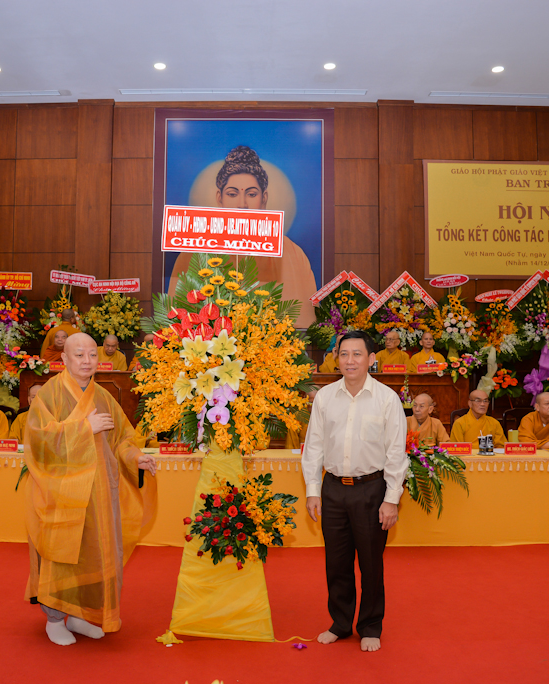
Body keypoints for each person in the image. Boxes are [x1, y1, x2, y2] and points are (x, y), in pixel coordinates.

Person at [23, 333, 157, 646]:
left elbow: (122, 438)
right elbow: (38, 441)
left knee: (95, 553)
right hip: (63, 491)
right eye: (79, 355)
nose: (87, 361)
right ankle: (54, 619)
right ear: (64, 359)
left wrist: (136, 457)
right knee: (61, 554)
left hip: (99, 492)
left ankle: (81, 615)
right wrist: (85, 428)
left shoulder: (104, 396)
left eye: (92, 355)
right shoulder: (50, 394)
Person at [302, 330, 408, 652]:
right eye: (344, 354)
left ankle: (370, 625)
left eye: (357, 354)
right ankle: (340, 623)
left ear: (371, 359)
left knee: (371, 563)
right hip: (333, 489)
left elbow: (396, 453)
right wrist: (313, 490)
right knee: (336, 563)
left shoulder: (386, 399)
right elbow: (314, 446)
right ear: (337, 358)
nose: (350, 360)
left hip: (371, 490)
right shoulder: (325, 397)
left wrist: (391, 500)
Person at [168, 145, 318, 329]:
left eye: (252, 194)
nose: (242, 204)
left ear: (264, 199)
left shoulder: (292, 254)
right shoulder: (193, 252)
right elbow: (176, 320)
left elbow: (304, 322)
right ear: (219, 198)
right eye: (232, 194)